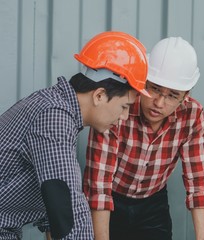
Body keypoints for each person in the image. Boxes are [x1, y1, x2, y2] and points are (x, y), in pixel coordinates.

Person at [0, 31, 149, 240]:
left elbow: (53, 206)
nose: (125, 116)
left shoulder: (58, 112)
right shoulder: (53, 116)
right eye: (125, 106)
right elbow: (67, 206)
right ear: (99, 95)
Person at [83, 36, 204, 240]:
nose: (159, 103)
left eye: (172, 95)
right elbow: (98, 185)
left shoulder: (193, 115)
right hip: (109, 198)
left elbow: (198, 183)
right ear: (144, 81)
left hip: (153, 203)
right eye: (155, 89)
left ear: (185, 95)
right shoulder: (118, 107)